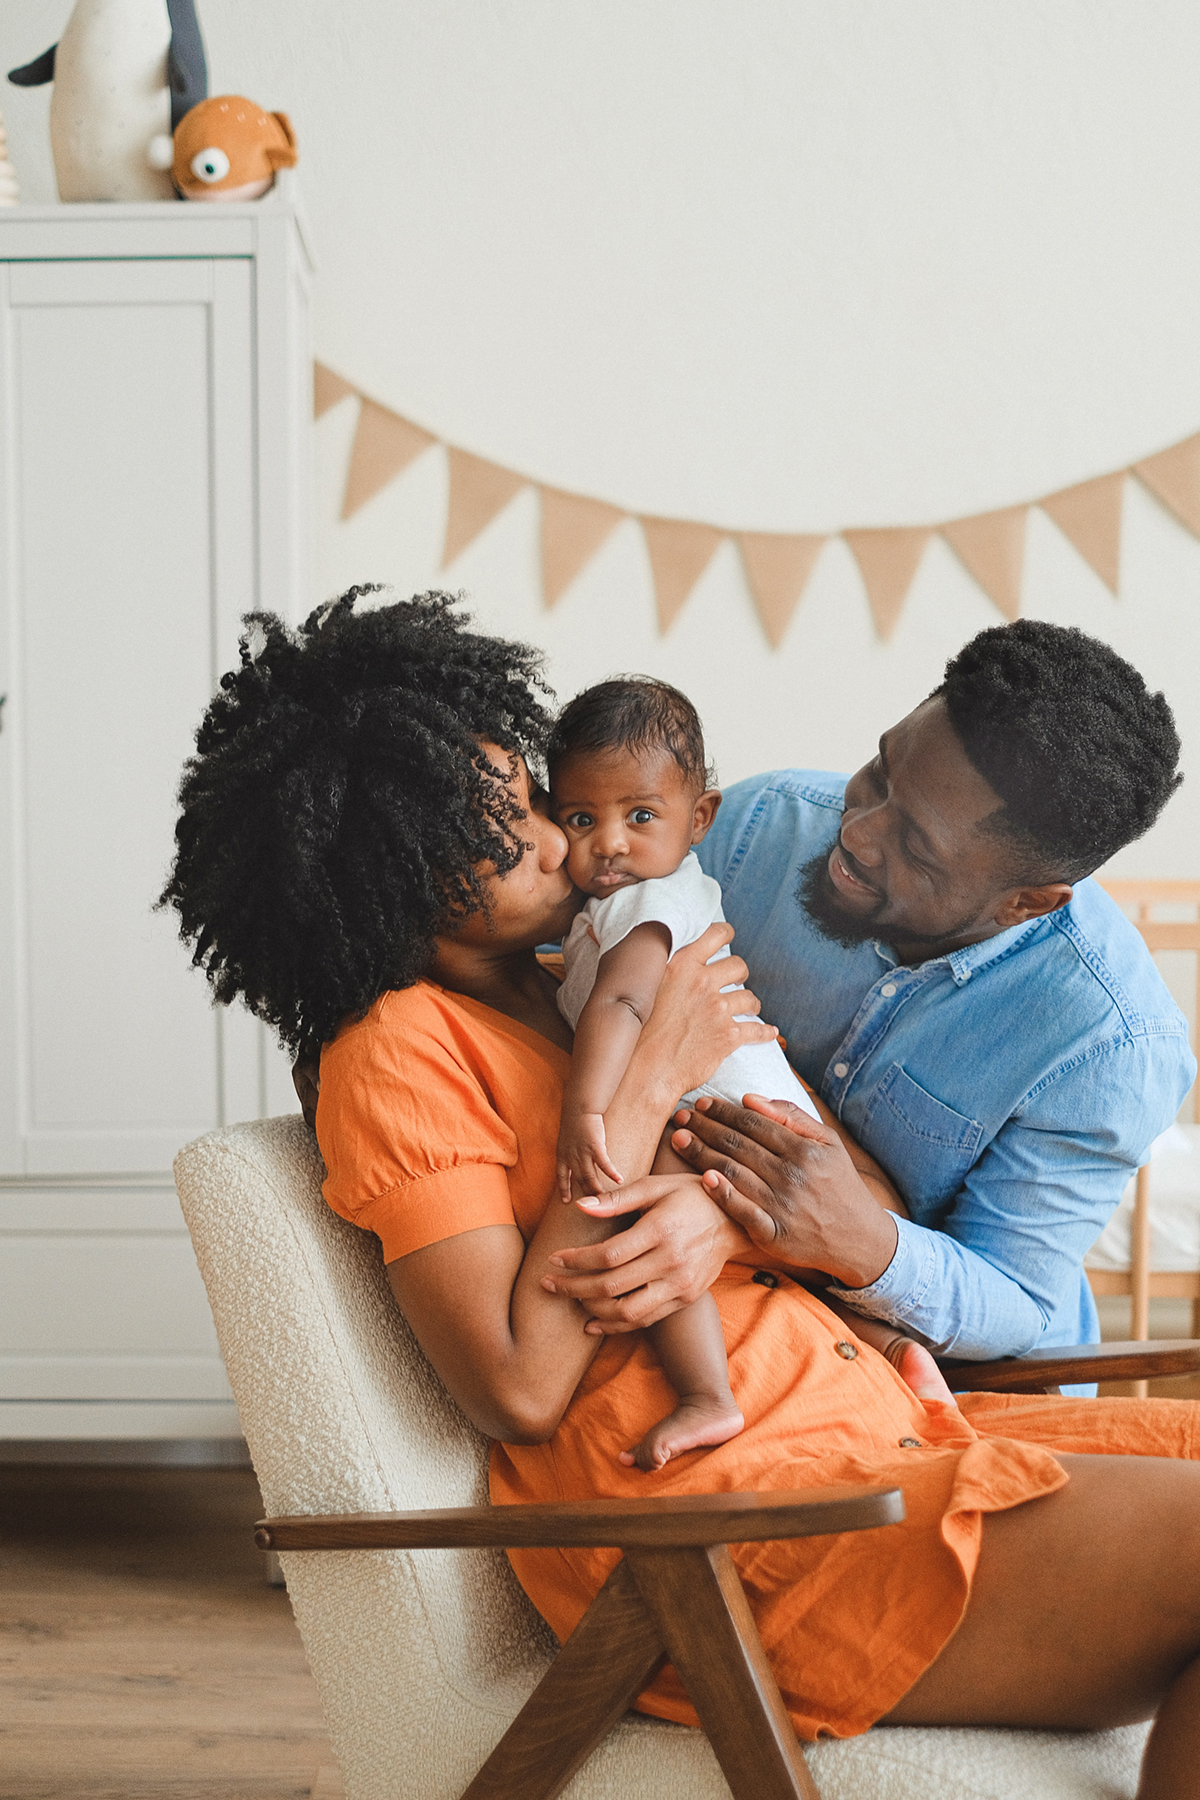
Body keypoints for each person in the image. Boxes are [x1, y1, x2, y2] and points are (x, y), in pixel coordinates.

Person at [163, 588, 1200, 1795]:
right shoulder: (400, 1048)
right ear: (398, 888)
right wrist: (650, 1082)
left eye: (542, 806)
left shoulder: (570, 982)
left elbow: (823, 1167)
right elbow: (515, 1387)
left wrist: (736, 1202)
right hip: (734, 1526)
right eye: (516, 840)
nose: (572, 843)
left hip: (881, 1427)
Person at [573, 621, 1192, 1374]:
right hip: (761, 1332)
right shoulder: (756, 831)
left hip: (964, 1383)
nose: (857, 835)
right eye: (879, 773)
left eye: (917, 849)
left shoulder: (1112, 1044)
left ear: (1027, 903)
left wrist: (858, 1238)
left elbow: (1017, 1300)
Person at [547, 674, 950, 1471]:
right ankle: (896, 1348)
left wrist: (585, 1111)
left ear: (700, 818)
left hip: (717, 1108)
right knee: (780, 1249)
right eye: (580, 819)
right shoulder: (663, 891)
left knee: (649, 1221)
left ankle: (706, 1396)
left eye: (639, 816)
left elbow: (624, 1006)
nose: (610, 844)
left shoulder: (640, 901)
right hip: (758, 1103)